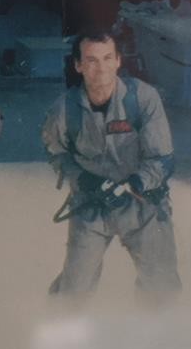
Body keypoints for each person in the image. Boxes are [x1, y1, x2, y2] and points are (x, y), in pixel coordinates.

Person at [41, 29, 181, 301]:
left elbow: (162, 158)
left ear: (118, 61)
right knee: (74, 289)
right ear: (78, 65)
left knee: (162, 286)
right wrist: (84, 181)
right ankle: (61, 326)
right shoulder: (64, 109)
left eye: (107, 58)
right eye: (91, 60)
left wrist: (137, 182)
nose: (101, 68)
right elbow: (56, 153)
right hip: (91, 206)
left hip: (142, 203)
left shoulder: (142, 98)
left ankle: (160, 327)